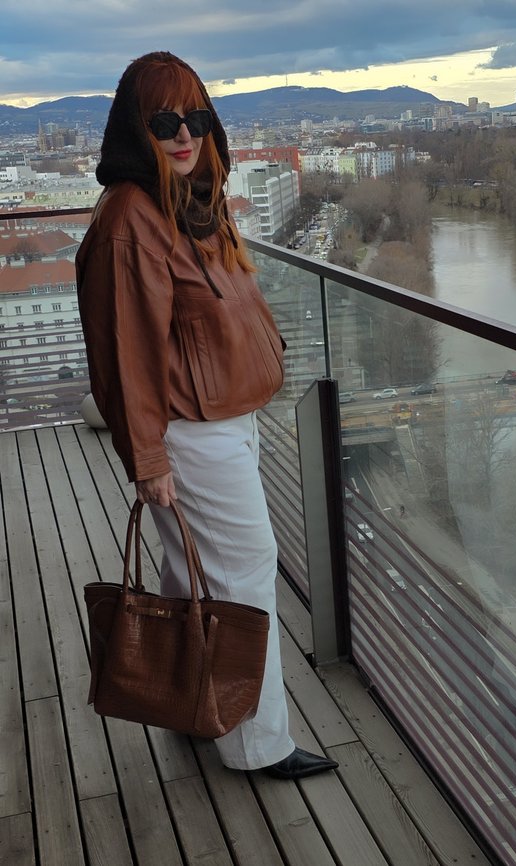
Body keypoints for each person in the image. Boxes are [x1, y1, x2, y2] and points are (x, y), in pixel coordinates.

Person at [76, 51, 337, 781]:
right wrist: (149, 458)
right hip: (192, 434)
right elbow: (126, 350)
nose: (184, 134)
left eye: (194, 117)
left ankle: (196, 705)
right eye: (164, 121)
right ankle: (257, 742)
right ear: (136, 129)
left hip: (220, 420)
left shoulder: (188, 200)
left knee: (192, 574)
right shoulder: (135, 216)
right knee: (244, 574)